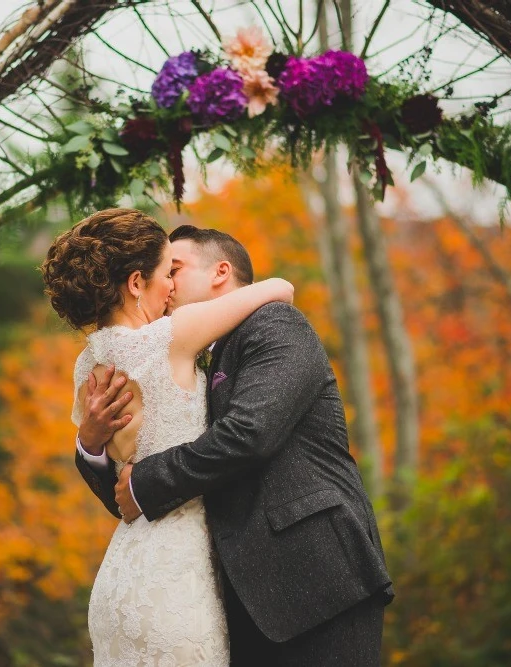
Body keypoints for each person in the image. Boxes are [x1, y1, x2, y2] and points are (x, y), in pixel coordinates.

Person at [75, 223, 394, 666]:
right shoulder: (179, 357)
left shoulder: (275, 324)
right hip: (226, 597)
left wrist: (144, 483)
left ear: (220, 272)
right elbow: (124, 500)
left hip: (315, 579)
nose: (165, 284)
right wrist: (91, 444)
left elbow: (251, 433)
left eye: (176, 269)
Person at [41, 208, 295, 666]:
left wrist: (89, 442)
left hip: (125, 567)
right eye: (166, 274)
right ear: (137, 284)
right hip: (180, 573)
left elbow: (113, 464)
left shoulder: (85, 366)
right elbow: (281, 289)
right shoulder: (170, 338)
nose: (173, 287)